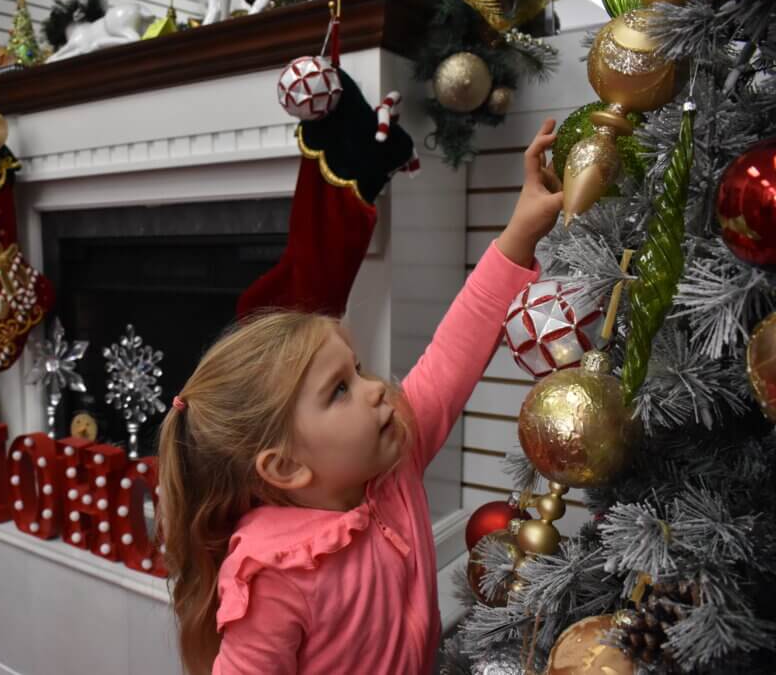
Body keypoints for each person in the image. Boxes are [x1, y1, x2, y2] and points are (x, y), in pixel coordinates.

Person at [158, 120, 564, 674]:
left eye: (359, 369)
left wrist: (522, 228)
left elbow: (454, 350)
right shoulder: (274, 575)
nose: (376, 389)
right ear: (285, 465)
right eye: (341, 390)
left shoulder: (393, 461)